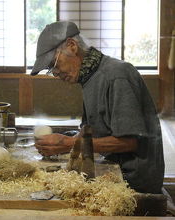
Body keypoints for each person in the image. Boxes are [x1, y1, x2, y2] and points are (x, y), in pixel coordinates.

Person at [30, 21, 165, 194]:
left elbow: (129, 142)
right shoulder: (89, 77)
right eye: (50, 70)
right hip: (115, 170)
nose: (55, 73)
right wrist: (65, 142)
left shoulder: (117, 75)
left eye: (54, 64)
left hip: (134, 181)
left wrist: (69, 143)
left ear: (72, 46)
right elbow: (92, 129)